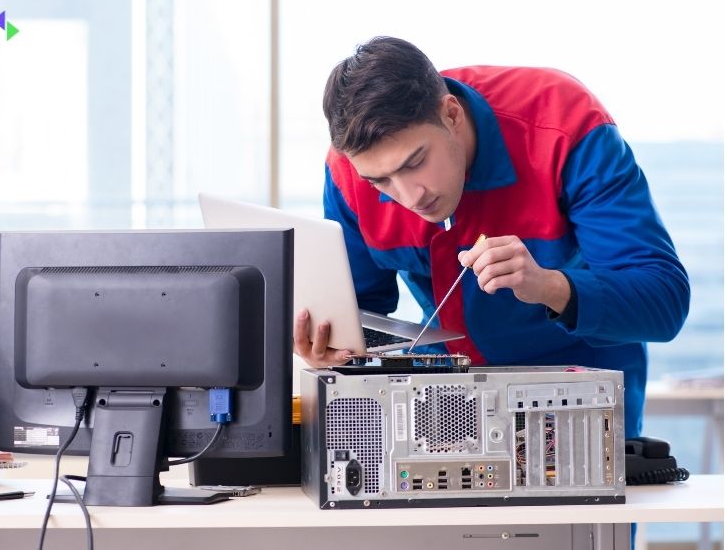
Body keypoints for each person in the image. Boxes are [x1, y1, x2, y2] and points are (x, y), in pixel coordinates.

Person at [293, 36, 689, 438]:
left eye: (415, 162)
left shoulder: (564, 124)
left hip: (581, 403)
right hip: (444, 407)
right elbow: (358, 317)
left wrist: (549, 286)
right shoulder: (348, 174)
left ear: (451, 114)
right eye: (381, 181)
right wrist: (331, 349)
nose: (410, 196)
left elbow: (664, 303)